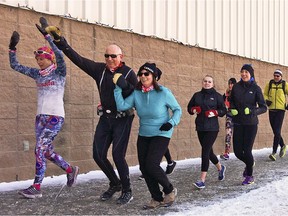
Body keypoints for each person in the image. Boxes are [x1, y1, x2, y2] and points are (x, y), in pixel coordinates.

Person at [42, 18, 138, 204]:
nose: (110, 59)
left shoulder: (129, 73)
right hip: (106, 118)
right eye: (107, 56)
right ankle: (115, 183)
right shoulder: (99, 70)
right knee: (98, 155)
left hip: (123, 119)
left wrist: (126, 86)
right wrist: (61, 42)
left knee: (118, 156)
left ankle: (127, 189)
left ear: (121, 56)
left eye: (114, 56)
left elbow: (137, 97)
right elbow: (78, 59)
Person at [8, 27, 79, 199]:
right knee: (46, 151)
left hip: (55, 116)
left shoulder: (59, 72)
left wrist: (47, 36)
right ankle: (70, 170)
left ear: (49, 59)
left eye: (42, 58)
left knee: (39, 148)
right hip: (40, 117)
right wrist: (12, 48)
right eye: (37, 59)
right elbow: (15, 65)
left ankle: (37, 186)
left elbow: (61, 56)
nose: (39, 61)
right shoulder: (37, 74)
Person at [113, 62, 182, 209]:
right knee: (144, 168)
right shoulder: (137, 93)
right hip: (144, 133)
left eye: (147, 74)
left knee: (152, 164)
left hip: (162, 132)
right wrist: (118, 88)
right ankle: (156, 198)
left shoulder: (164, 92)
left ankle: (169, 190)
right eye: (141, 74)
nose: (143, 76)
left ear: (154, 76)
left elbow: (177, 110)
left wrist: (171, 122)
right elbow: (122, 106)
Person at [230, 64, 267, 185]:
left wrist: (252, 111)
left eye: (246, 72)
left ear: (251, 74)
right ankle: (250, 162)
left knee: (247, 150)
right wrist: (232, 109)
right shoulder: (236, 87)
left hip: (251, 124)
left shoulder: (256, 88)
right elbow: (231, 102)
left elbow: (263, 107)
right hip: (238, 122)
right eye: (242, 72)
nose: (244, 74)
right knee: (237, 152)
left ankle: (250, 175)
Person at [187, 75, 227, 189]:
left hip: (212, 128)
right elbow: (189, 108)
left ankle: (202, 180)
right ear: (202, 83)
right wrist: (193, 110)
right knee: (209, 152)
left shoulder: (217, 96)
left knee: (205, 152)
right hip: (200, 127)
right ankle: (220, 168)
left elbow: (223, 110)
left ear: (213, 84)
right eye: (205, 81)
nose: (207, 83)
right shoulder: (197, 95)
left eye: (209, 81)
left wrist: (215, 112)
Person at [263, 69, 288, 161]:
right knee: (275, 131)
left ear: (281, 76)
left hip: (281, 110)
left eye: (277, 76)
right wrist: (266, 100)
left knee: (277, 131)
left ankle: (274, 152)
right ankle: (283, 145)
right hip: (271, 110)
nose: (276, 77)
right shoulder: (269, 84)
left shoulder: (285, 84)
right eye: (274, 75)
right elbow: (265, 94)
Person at [220, 78, 237, 160]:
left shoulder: (238, 93)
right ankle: (226, 153)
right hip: (229, 116)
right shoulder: (226, 94)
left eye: (232, 84)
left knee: (238, 135)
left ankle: (242, 151)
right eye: (229, 83)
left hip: (238, 117)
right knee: (228, 134)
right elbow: (221, 103)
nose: (230, 85)